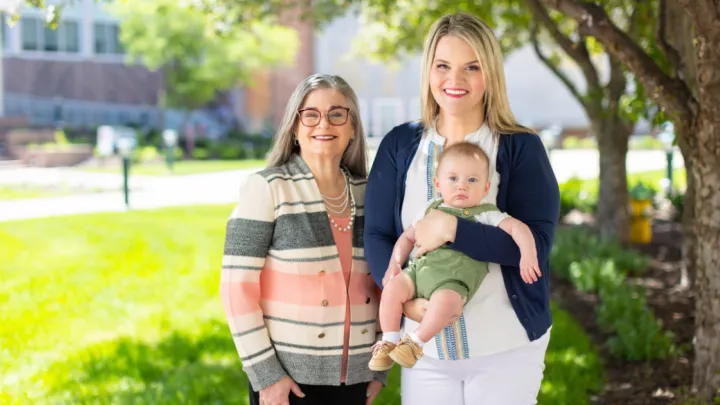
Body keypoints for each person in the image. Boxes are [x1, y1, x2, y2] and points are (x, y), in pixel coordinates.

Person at [364, 12, 560, 405]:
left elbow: (534, 245)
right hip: (423, 349)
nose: (455, 80)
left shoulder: (519, 147)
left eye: (472, 67)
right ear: (428, 71)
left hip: (506, 343)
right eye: (443, 66)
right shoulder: (400, 146)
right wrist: (404, 299)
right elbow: (378, 234)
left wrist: (453, 230)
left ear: (490, 74)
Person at [220, 73, 386, 405]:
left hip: (356, 376)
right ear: (295, 128)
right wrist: (267, 375)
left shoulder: (371, 194)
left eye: (337, 114)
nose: (324, 124)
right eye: (310, 114)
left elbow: (384, 282)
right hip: (287, 381)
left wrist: (379, 368)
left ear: (353, 128)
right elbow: (236, 289)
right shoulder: (267, 188)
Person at [368, 142, 542, 372]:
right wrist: (395, 263)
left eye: (472, 180)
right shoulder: (431, 208)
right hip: (417, 272)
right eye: (453, 179)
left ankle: (415, 343)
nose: (462, 186)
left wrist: (528, 255)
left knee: (448, 302)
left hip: (452, 282)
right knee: (391, 289)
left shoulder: (486, 214)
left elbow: (519, 229)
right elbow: (407, 237)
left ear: (486, 187)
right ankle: (389, 340)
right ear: (438, 184)